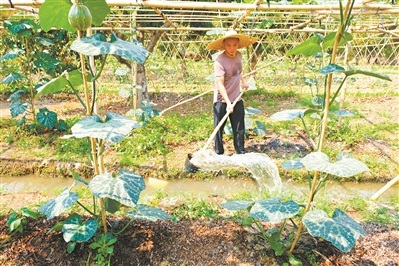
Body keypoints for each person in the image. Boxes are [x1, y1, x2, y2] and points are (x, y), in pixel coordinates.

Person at [207, 29, 258, 155]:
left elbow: (238, 72)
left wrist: (243, 82)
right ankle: (219, 153)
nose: (232, 48)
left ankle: (240, 151)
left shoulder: (239, 55)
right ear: (224, 45)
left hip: (236, 98)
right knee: (219, 128)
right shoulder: (219, 61)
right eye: (229, 45)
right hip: (221, 99)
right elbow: (219, 83)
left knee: (239, 127)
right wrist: (227, 103)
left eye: (234, 45)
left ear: (238, 45)